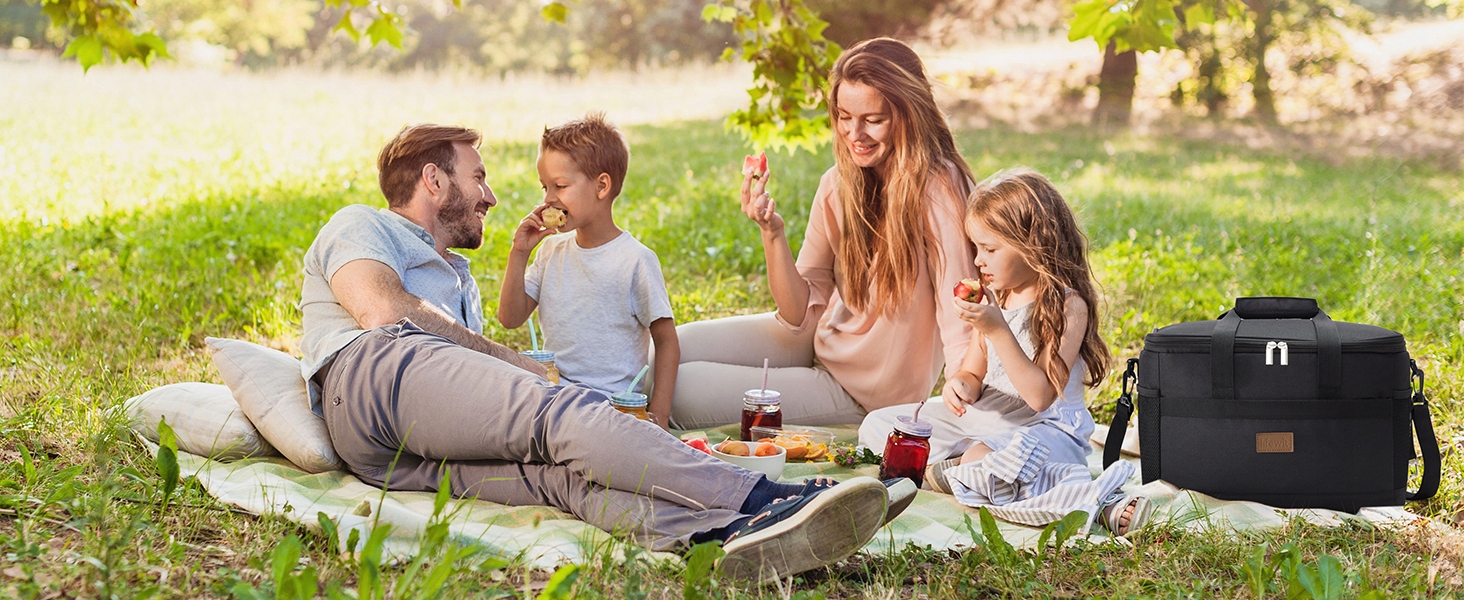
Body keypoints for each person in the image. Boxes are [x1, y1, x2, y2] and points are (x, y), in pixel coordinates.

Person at [297, 123, 907, 581]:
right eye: (477, 177)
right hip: (375, 374)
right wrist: (525, 368)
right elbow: (381, 309)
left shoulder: (456, 275)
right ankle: (767, 497)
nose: (491, 196)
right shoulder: (361, 223)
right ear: (434, 181)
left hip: (388, 453)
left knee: (564, 480)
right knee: (563, 412)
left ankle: (726, 533)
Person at [670, 38, 979, 429]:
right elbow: (798, 315)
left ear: (909, 116)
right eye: (844, 116)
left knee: (678, 391)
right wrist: (771, 232)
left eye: (873, 119)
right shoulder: (837, 183)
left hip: (864, 392)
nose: (854, 133)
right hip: (819, 342)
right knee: (665, 351)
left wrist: (965, 387)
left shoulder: (939, 189)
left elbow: (962, 309)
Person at [857, 168, 1151, 536]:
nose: (978, 260)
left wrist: (997, 329)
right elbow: (973, 373)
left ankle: (1100, 502)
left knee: (993, 460)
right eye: (976, 248)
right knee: (880, 426)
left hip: (1044, 432)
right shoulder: (999, 296)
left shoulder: (1067, 307)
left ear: (1033, 245)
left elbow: (1040, 396)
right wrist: (960, 385)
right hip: (990, 422)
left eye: (990, 249)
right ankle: (961, 471)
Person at [497, 114, 678, 430]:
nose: (548, 198)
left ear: (601, 186)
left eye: (560, 186)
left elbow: (666, 342)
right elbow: (510, 318)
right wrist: (519, 252)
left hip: (611, 408)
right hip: (553, 399)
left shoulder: (635, 260)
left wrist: (659, 416)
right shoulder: (551, 252)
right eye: (545, 187)